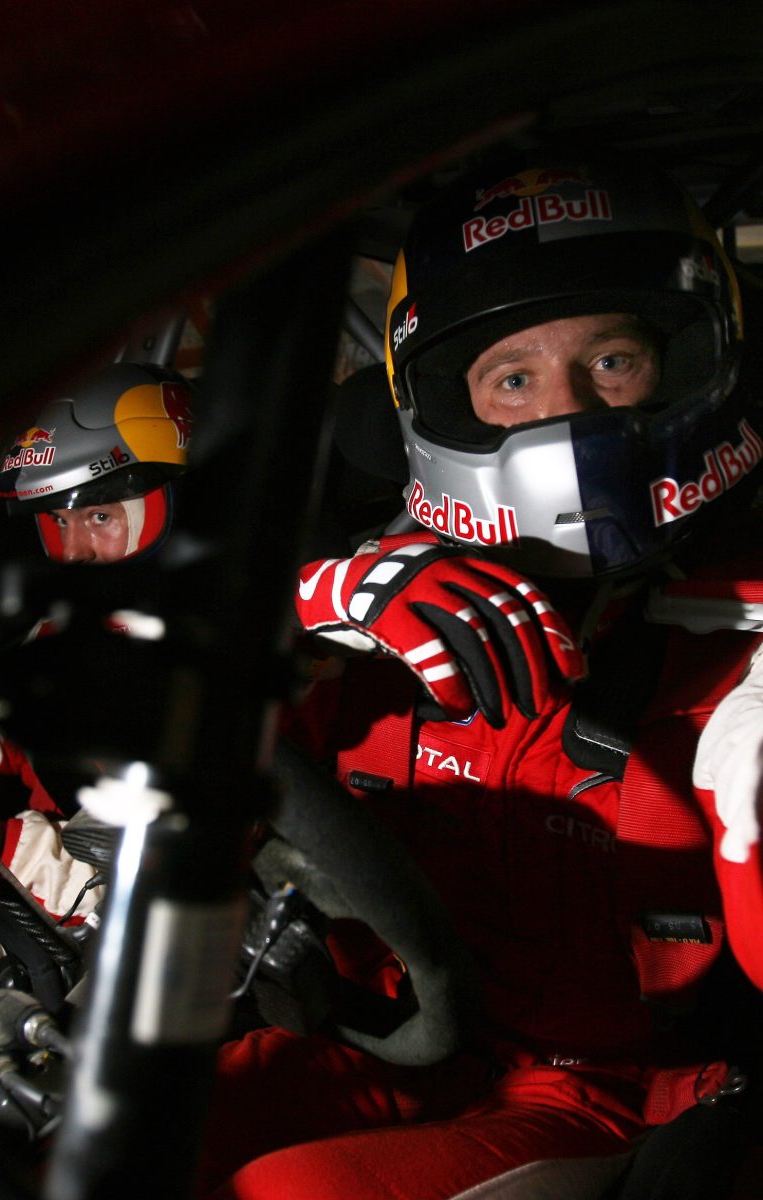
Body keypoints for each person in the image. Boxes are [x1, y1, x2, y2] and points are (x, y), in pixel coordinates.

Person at [195, 152, 763, 1198]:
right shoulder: (377, 602)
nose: (565, 409)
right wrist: (304, 610)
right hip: (401, 1041)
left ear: (687, 363)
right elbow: (134, 729)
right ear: (441, 405)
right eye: (513, 378)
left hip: (615, 1096)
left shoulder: (739, 635)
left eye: (614, 359)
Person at [0, 360, 195, 1013]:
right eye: (59, 522)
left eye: (99, 517)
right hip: (44, 900)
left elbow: (150, 871)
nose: (73, 551)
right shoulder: (71, 631)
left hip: (124, 929)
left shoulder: (229, 649)